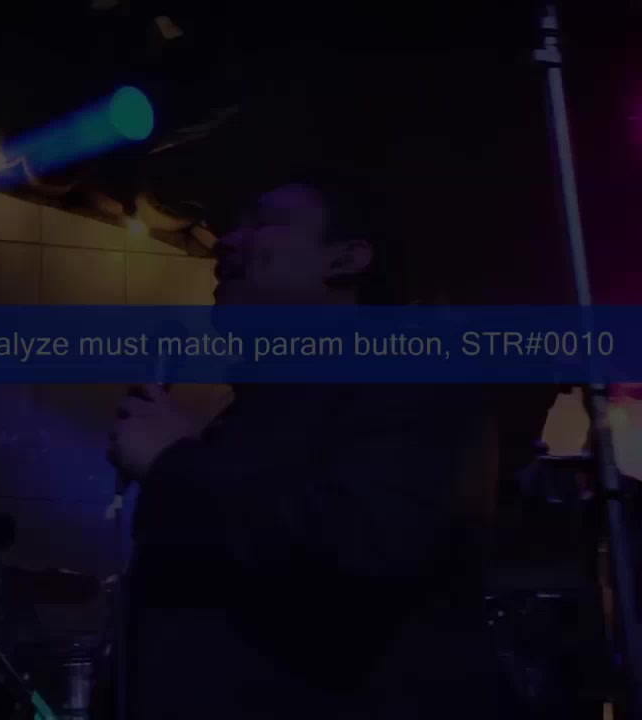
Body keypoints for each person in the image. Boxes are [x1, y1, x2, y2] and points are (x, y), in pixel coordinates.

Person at [109, 180, 511, 718]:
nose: (226, 240)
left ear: (347, 258)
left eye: (263, 223)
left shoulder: (413, 368)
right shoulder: (253, 412)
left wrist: (174, 464)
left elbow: (366, 544)